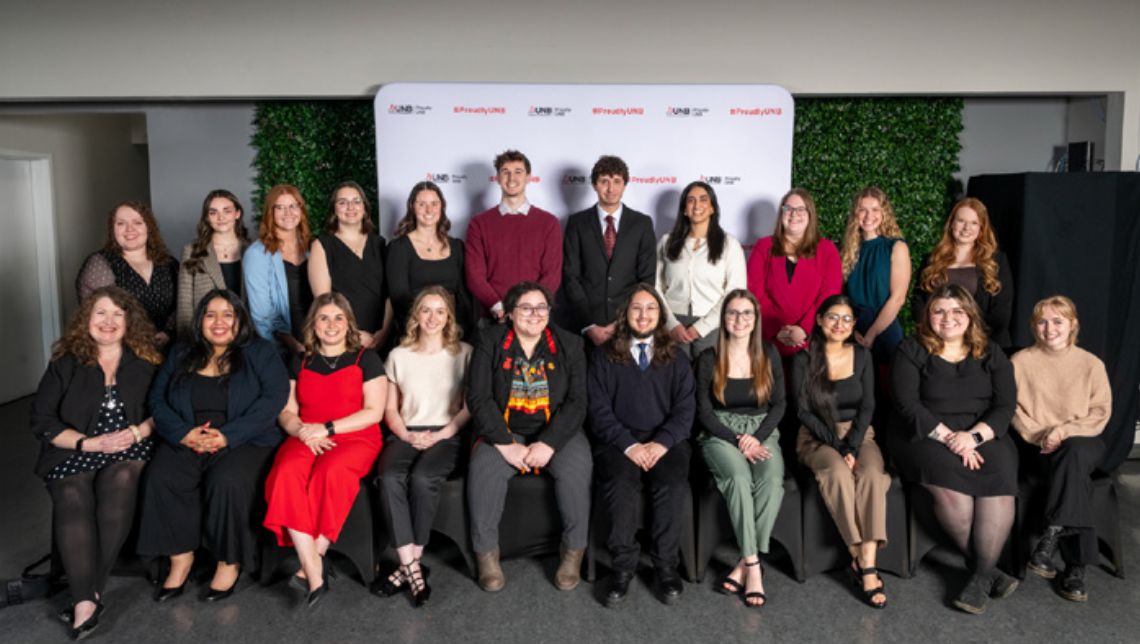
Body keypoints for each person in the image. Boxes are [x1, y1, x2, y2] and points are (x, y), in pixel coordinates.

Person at [140, 289, 289, 603]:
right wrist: (183, 434)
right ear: (200, 320)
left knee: (228, 481)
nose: (218, 322)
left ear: (240, 320)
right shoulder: (181, 352)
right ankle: (181, 560)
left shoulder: (260, 351)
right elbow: (157, 399)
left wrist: (228, 436)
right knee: (163, 475)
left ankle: (228, 562)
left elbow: (274, 399)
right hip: (188, 433)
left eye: (227, 314)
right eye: (210, 314)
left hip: (245, 438)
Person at [30, 286, 162, 639]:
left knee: (122, 480)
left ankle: (84, 599)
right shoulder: (65, 363)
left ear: (128, 321)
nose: (108, 321)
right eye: (100, 313)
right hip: (75, 449)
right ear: (86, 320)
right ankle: (88, 596)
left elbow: (161, 411)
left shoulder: (147, 361)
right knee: (73, 495)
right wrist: (88, 443)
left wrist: (136, 433)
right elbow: (42, 421)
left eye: (118, 314)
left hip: (129, 447)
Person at [889, 284, 1019, 614]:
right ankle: (987, 570)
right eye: (940, 311)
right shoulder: (911, 349)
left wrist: (973, 438)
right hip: (924, 434)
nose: (949, 318)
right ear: (928, 316)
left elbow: (1005, 406)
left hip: (983, 433)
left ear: (970, 315)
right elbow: (908, 406)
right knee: (952, 492)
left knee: (1000, 478)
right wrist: (951, 439)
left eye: (957, 311)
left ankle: (979, 577)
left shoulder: (992, 352)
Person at [465, 282, 591, 592]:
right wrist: (505, 444)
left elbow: (577, 402)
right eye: (525, 308)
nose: (534, 314)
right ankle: (487, 556)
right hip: (504, 432)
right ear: (509, 314)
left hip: (556, 431)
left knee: (576, 471)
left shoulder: (570, 344)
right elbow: (478, 397)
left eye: (541, 308)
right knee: (484, 471)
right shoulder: (488, 340)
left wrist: (549, 443)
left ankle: (573, 553)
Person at [264, 292, 387, 609]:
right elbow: (286, 412)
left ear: (348, 324)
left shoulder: (366, 359)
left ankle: (311, 561)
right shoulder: (299, 360)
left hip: (354, 436)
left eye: (338, 318)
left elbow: (374, 411)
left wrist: (327, 428)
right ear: (313, 325)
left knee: (331, 472)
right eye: (323, 318)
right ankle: (314, 568)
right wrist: (305, 432)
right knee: (286, 472)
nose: (331, 324)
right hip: (307, 435)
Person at [588, 284, 695, 608]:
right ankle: (622, 567)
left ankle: (665, 565)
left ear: (660, 314)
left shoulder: (676, 356)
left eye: (651, 308)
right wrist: (630, 446)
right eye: (636, 308)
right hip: (619, 441)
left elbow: (685, 409)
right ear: (625, 314)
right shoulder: (604, 355)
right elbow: (598, 410)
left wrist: (661, 443)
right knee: (621, 485)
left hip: (665, 441)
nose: (644, 314)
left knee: (671, 484)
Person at [375, 286, 472, 607]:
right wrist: (407, 435)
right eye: (426, 310)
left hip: (446, 434)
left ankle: (406, 567)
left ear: (449, 317)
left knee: (423, 478)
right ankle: (413, 567)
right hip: (405, 432)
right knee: (389, 478)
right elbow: (390, 409)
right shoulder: (398, 356)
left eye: (440, 311)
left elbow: (468, 409)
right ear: (416, 315)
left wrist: (441, 434)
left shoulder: (464, 353)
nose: (433, 317)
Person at [791, 294, 890, 608]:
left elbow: (868, 405)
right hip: (817, 436)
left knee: (872, 474)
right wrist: (838, 447)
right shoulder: (803, 359)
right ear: (819, 320)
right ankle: (859, 558)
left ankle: (867, 562)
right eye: (833, 317)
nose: (840, 324)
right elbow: (803, 411)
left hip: (859, 434)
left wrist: (853, 445)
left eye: (847, 319)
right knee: (836, 471)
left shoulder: (862, 355)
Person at [1011, 296, 1111, 602]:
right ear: (1033, 326)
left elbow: (1100, 413)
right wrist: (1043, 435)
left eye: (1057, 321)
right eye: (1042, 321)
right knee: (1073, 467)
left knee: (1076, 453)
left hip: (1083, 439)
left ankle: (1051, 535)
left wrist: (1064, 431)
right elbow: (1012, 410)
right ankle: (1076, 567)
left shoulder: (1091, 364)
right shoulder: (1019, 362)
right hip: (1040, 445)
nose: (1049, 328)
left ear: (1072, 325)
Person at [696, 289, 785, 608]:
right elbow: (704, 412)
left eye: (747, 313)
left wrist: (757, 437)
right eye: (732, 313)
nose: (740, 319)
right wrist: (737, 440)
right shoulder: (708, 357)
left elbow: (779, 404)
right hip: (721, 431)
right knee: (736, 478)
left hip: (762, 430)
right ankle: (753, 567)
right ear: (723, 319)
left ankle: (742, 563)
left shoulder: (769, 353)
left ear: (756, 319)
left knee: (772, 482)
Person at [563, 155, 657, 347]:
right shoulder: (577, 223)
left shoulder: (642, 224)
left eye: (616, 182)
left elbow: (646, 279)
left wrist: (623, 321)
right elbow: (570, 277)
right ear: (594, 185)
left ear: (624, 185)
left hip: (628, 325)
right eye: (604, 181)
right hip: (585, 328)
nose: (610, 189)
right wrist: (588, 325)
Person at [465, 150, 562, 322]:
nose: (511, 178)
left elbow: (552, 274)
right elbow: (474, 275)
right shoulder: (479, 223)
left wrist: (529, 309)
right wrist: (498, 308)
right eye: (505, 172)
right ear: (497, 178)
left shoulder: (548, 223)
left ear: (528, 178)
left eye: (518, 172)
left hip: (534, 319)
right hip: (493, 319)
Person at [747, 188, 842, 360]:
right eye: (788, 208)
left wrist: (804, 329)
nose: (793, 214)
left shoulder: (827, 250)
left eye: (800, 209)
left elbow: (829, 295)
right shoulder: (763, 247)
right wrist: (777, 330)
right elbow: (754, 292)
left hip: (811, 341)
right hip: (770, 341)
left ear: (810, 214)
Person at [657, 181, 747, 358]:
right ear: (684, 209)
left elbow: (735, 292)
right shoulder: (667, 242)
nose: (697, 205)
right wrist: (671, 324)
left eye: (703, 199)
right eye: (691, 200)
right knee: (675, 382)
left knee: (709, 382)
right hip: (673, 325)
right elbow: (655, 287)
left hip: (713, 325)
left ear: (712, 207)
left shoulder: (729, 244)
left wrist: (702, 327)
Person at [912, 198, 1014, 348]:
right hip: (939, 344)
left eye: (974, 223)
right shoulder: (932, 260)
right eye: (961, 221)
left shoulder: (997, 261)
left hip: (986, 345)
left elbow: (1001, 312)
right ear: (951, 224)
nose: (967, 228)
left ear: (981, 228)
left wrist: (968, 338)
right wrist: (939, 335)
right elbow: (919, 303)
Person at [77, 200, 179, 347]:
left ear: (149, 228)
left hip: (167, 348)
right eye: (121, 223)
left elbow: (181, 305)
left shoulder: (169, 264)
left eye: (137, 222)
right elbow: (99, 315)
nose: (129, 229)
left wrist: (167, 333)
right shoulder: (100, 264)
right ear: (113, 230)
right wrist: (140, 342)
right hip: (122, 350)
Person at [308, 181, 393, 352]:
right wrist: (353, 333)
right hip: (342, 339)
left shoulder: (380, 244)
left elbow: (390, 293)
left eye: (356, 201)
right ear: (334, 209)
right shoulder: (322, 245)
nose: (350, 207)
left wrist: (384, 331)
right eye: (343, 202)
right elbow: (325, 303)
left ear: (364, 206)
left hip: (381, 337)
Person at [386, 181, 476, 343]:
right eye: (422, 204)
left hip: (454, 334)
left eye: (434, 203)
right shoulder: (399, 248)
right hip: (415, 335)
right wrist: (425, 332)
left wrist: (457, 332)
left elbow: (464, 297)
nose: (429, 210)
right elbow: (399, 300)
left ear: (441, 207)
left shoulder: (457, 247)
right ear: (412, 208)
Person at [840, 187, 911, 363]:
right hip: (852, 329)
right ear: (855, 214)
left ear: (884, 213)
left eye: (875, 210)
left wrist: (871, 334)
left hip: (884, 327)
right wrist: (850, 329)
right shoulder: (848, 251)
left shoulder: (896, 247)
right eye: (862, 210)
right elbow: (843, 297)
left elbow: (898, 298)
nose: (868, 215)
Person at [243, 184, 313, 358]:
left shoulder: (311, 248)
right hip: (281, 345)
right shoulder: (257, 253)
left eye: (293, 206)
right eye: (280, 207)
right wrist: (293, 345)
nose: (288, 213)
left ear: (301, 210)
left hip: (315, 337)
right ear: (270, 213)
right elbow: (262, 314)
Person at [177, 189, 251, 338]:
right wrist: (187, 342)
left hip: (246, 334)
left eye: (227, 211)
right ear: (207, 217)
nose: (220, 217)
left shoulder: (252, 250)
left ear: (237, 213)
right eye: (213, 212)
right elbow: (185, 305)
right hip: (207, 337)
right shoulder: (192, 250)